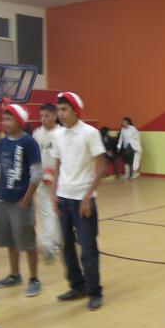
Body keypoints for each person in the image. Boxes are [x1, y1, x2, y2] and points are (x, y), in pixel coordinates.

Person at [51, 92, 106, 311]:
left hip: (83, 201)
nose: (60, 114)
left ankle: (94, 292)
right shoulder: (57, 134)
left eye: (64, 109)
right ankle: (77, 286)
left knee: (88, 248)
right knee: (66, 247)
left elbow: (101, 166)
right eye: (58, 109)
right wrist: (54, 195)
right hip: (63, 198)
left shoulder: (90, 133)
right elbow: (57, 166)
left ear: (76, 110)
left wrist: (88, 196)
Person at [0, 103, 43, 295]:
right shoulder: (2, 143)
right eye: (4, 119)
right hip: (3, 200)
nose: (5, 123)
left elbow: (36, 174)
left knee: (27, 241)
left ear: (20, 121)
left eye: (9, 119)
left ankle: (34, 278)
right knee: (9, 240)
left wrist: (26, 199)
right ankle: (14, 275)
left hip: (21, 200)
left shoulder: (29, 143)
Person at [33, 103, 63, 260]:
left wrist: (54, 173)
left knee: (58, 211)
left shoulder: (61, 133)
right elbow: (35, 156)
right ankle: (47, 243)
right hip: (42, 179)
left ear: (55, 116)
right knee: (46, 211)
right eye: (41, 116)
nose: (43, 119)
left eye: (47, 116)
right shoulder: (37, 133)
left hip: (60, 179)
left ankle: (57, 240)